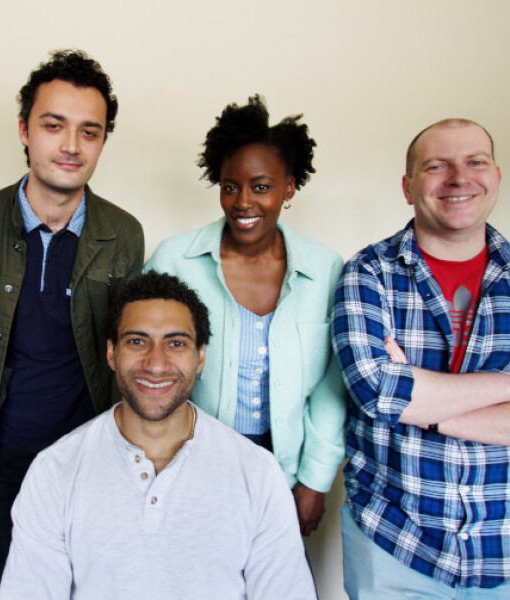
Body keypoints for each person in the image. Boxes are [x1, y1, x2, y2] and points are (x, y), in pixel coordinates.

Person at [332, 118, 510, 598]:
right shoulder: (369, 272)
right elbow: (378, 391)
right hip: (395, 541)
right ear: (408, 186)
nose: (459, 178)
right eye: (437, 166)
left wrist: (429, 409)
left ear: (496, 176)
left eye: (475, 162)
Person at [0, 271, 316, 599]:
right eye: (137, 341)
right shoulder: (54, 470)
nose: (155, 363)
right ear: (111, 353)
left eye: (176, 343)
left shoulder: (257, 472)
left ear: (200, 358)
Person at [0, 49, 144, 599]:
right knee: (5, 586)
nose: (70, 145)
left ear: (103, 141)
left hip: (90, 459)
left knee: (91, 587)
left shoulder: (123, 233)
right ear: (24, 130)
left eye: (90, 131)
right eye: (53, 125)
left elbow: (128, 354)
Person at [145, 94, 346, 536]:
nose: (243, 202)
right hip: (186, 466)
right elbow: (141, 367)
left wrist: (314, 481)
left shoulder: (326, 271)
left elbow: (333, 386)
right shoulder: (174, 261)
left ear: (289, 187)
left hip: (285, 472)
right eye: (230, 186)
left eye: (261, 186)